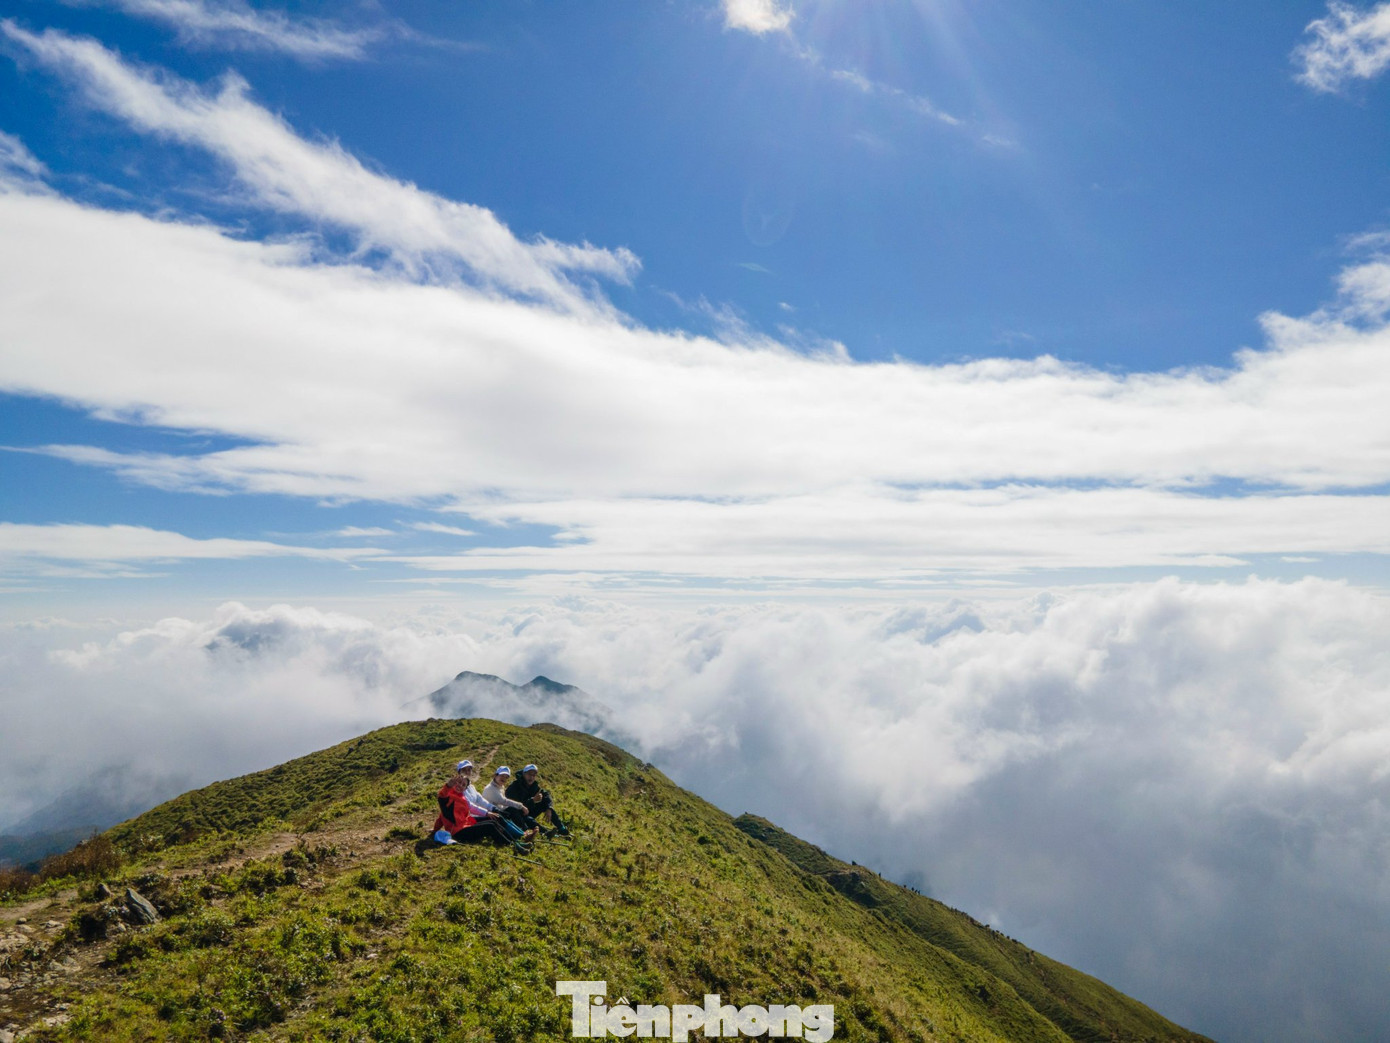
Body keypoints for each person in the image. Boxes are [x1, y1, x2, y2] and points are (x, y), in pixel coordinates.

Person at [433, 760, 532, 848]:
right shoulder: (448, 795)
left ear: (465, 787)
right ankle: (514, 845)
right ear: (456, 777)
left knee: (495, 819)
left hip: (467, 823)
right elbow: (442, 799)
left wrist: (489, 811)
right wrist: (448, 786)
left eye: (463, 785)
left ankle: (517, 840)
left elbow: (445, 813)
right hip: (459, 830)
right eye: (464, 770)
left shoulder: (463, 795)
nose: (460, 785)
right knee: (491, 826)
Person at [505, 763, 570, 837]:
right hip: (518, 815)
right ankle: (546, 833)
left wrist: (549, 808)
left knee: (545, 804)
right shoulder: (514, 786)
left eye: (534, 775)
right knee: (529, 819)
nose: (531, 777)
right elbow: (515, 806)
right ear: (524, 774)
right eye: (529, 774)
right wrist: (532, 801)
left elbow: (546, 796)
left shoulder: (534, 786)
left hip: (528, 810)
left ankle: (561, 828)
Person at [483, 766, 538, 832]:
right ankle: (525, 831)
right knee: (512, 810)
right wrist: (521, 806)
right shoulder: (490, 788)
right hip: (489, 814)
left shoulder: (500, 787)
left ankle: (529, 830)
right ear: (495, 775)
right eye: (502, 775)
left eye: (506, 777)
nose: (504, 778)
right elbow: (503, 801)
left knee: (515, 811)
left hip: (498, 811)